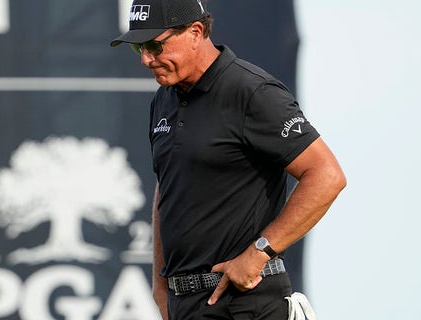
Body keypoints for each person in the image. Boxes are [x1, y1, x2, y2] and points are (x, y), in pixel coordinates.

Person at [110, 0, 346, 319]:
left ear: (195, 32)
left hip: (245, 301)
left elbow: (326, 175)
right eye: (140, 49)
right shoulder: (164, 99)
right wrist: (160, 282)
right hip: (187, 305)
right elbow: (167, 186)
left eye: (155, 45)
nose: (147, 60)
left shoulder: (251, 91)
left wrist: (259, 252)